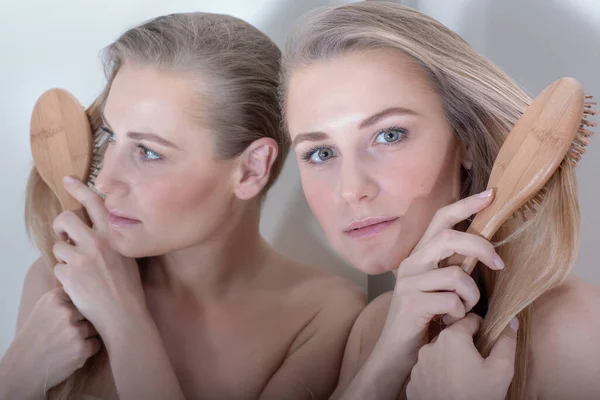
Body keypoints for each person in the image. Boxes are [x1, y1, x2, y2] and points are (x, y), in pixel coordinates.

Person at [0, 12, 365, 400]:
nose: (105, 180)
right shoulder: (59, 281)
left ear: (250, 170)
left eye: (148, 152)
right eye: (110, 135)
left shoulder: (322, 316)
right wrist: (17, 373)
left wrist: (124, 319)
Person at [280, 2, 600, 399]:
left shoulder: (575, 331)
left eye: (389, 135)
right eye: (321, 153)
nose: (351, 189)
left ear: (465, 140)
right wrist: (384, 364)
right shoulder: (376, 327)